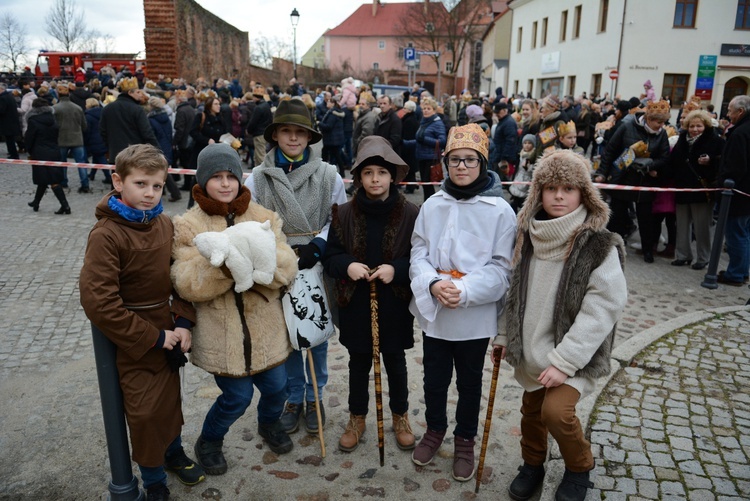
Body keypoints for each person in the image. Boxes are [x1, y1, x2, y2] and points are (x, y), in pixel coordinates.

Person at [494, 149, 627, 501]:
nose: (558, 196)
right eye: (550, 187)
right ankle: (532, 463)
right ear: (539, 191)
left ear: (584, 194)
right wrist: (505, 333)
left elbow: (605, 304)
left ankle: (579, 466)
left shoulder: (599, 245)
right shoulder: (529, 236)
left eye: (568, 188)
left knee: (557, 412)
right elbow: (515, 292)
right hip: (534, 346)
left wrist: (565, 360)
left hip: (575, 353)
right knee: (532, 412)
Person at [79, 144, 206, 500]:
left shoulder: (165, 223)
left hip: (168, 328)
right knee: (145, 412)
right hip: (133, 338)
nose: (149, 193)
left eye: (156, 185)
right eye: (140, 184)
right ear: (118, 182)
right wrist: (151, 336)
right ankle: (153, 482)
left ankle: (173, 452)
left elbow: (181, 275)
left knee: (170, 401)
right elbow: (98, 300)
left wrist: (182, 321)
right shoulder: (107, 234)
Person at [171, 143, 298, 474]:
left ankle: (269, 424)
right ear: (203, 180)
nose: (225, 183)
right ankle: (210, 439)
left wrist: (260, 261)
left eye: (231, 176)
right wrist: (227, 264)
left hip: (265, 329)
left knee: (277, 387)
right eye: (216, 177)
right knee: (237, 397)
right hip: (221, 333)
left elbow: (286, 264)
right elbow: (185, 281)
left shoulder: (263, 216)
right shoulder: (187, 225)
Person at [409, 123, 516, 482]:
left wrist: (465, 290)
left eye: (470, 160)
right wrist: (433, 282)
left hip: (473, 315)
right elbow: (419, 251)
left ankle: (465, 440)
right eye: (455, 160)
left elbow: (502, 268)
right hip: (437, 309)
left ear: (483, 163)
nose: (462, 167)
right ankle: (435, 429)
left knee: (469, 383)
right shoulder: (433, 204)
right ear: (445, 162)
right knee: (434, 380)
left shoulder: (500, 211)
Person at [245, 98, 348, 435]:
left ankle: (316, 396)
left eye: (299, 132)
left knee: (315, 333)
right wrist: (276, 251)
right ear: (275, 135)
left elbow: (339, 218)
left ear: (309, 137)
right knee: (287, 335)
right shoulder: (258, 178)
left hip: (315, 262)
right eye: (286, 131)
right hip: (277, 263)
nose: (293, 138)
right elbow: (252, 221)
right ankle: (293, 396)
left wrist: (318, 245)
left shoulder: (328, 175)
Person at [322, 136, 419, 453]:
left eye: (381, 172)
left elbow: (421, 258)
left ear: (393, 176)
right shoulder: (344, 213)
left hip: (395, 301)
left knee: (395, 361)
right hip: (356, 302)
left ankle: (400, 416)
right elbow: (332, 256)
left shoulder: (411, 213)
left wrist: (397, 269)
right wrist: (347, 264)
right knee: (358, 362)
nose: (375, 179)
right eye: (368, 173)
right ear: (359, 177)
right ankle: (357, 417)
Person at [594, 100, 671, 263]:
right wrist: (602, 172)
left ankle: (647, 250)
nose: (660, 125)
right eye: (658, 121)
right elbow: (610, 150)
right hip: (624, 177)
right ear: (648, 118)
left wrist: (651, 164)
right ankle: (613, 249)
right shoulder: (627, 126)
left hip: (646, 181)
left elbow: (665, 158)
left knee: (646, 218)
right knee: (618, 216)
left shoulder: (662, 134)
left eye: (663, 122)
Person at [665, 110, 724, 270]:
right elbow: (673, 161)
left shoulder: (715, 140)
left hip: (702, 190)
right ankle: (682, 255)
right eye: (692, 126)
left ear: (705, 125)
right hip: (683, 188)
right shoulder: (682, 139)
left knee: (702, 226)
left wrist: (711, 161)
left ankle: (703, 257)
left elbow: (723, 163)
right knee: (682, 224)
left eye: (699, 126)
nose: (695, 129)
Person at [717, 95, 750, 286]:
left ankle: (736, 273)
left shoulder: (740, 133)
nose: (728, 114)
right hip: (745, 193)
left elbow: (736, 167)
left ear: (740, 111)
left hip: (738, 194)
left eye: (730, 110)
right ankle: (742, 270)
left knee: (736, 234)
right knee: (744, 233)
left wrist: (724, 183)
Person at [25, 98, 70, 214]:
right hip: (54, 150)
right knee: (44, 178)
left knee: (53, 180)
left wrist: (29, 150)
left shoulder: (33, 121)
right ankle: (36, 201)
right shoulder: (53, 119)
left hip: (40, 152)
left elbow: (29, 138)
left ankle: (65, 205)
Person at [403, 97, 446, 202]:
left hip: (431, 158)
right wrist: (405, 143)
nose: (426, 110)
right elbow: (419, 140)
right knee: (425, 184)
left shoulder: (437, 123)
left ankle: (430, 205)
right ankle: (427, 203)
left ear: (434, 110)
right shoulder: (423, 121)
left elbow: (442, 141)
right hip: (421, 156)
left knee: (428, 184)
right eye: (424, 108)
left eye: (429, 108)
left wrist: (425, 139)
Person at [54, 83, 90, 193]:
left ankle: (63, 181)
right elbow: (84, 125)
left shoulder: (55, 109)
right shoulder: (77, 108)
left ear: (58, 95)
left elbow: (53, 126)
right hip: (77, 138)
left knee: (62, 163)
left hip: (61, 139)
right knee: (81, 163)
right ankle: (85, 184)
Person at [83, 98, 112, 184]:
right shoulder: (104, 113)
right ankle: (92, 174)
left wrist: (86, 141)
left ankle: (108, 177)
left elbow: (87, 130)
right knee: (97, 157)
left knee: (100, 158)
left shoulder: (88, 116)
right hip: (103, 138)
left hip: (93, 139)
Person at [509, 134, 538, 213]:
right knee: (515, 199)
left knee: (523, 201)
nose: (527, 145)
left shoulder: (533, 156)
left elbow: (532, 170)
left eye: (529, 143)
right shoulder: (520, 154)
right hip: (518, 178)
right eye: (525, 143)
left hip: (527, 181)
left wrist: (528, 167)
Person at [0, 82, 21, 159]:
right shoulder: (9, 96)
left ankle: (13, 154)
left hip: (7, 122)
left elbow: (1, 110)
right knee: (10, 139)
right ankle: (12, 153)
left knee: (9, 139)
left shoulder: (3, 98)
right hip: (12, 121)